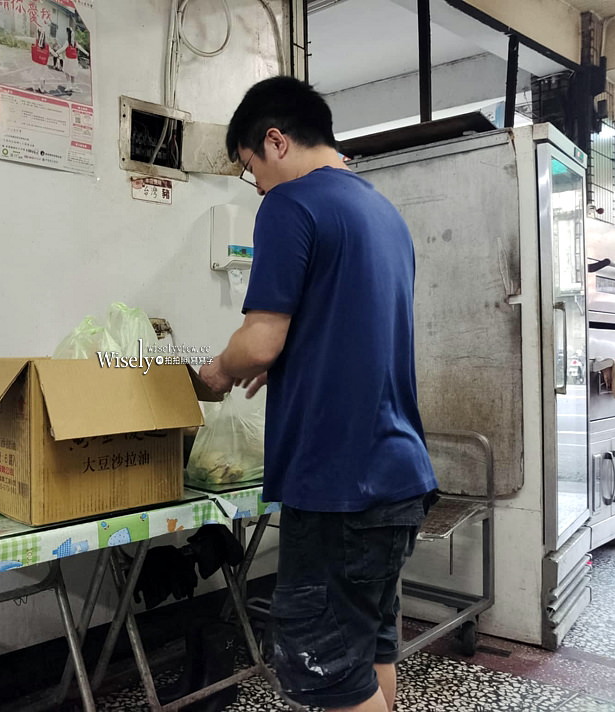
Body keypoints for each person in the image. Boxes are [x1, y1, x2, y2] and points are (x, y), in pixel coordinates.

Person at [198, 76, 439, 712]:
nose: (258, 186)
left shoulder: (289, 204)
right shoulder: (381, 212)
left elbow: (258, 342)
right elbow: (349, 329)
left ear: (273, 141)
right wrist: (293, 360)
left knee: (328, 672)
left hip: (339, 485)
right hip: (396, 478)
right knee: (368, 650)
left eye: (251, 169)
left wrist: (217, 373)